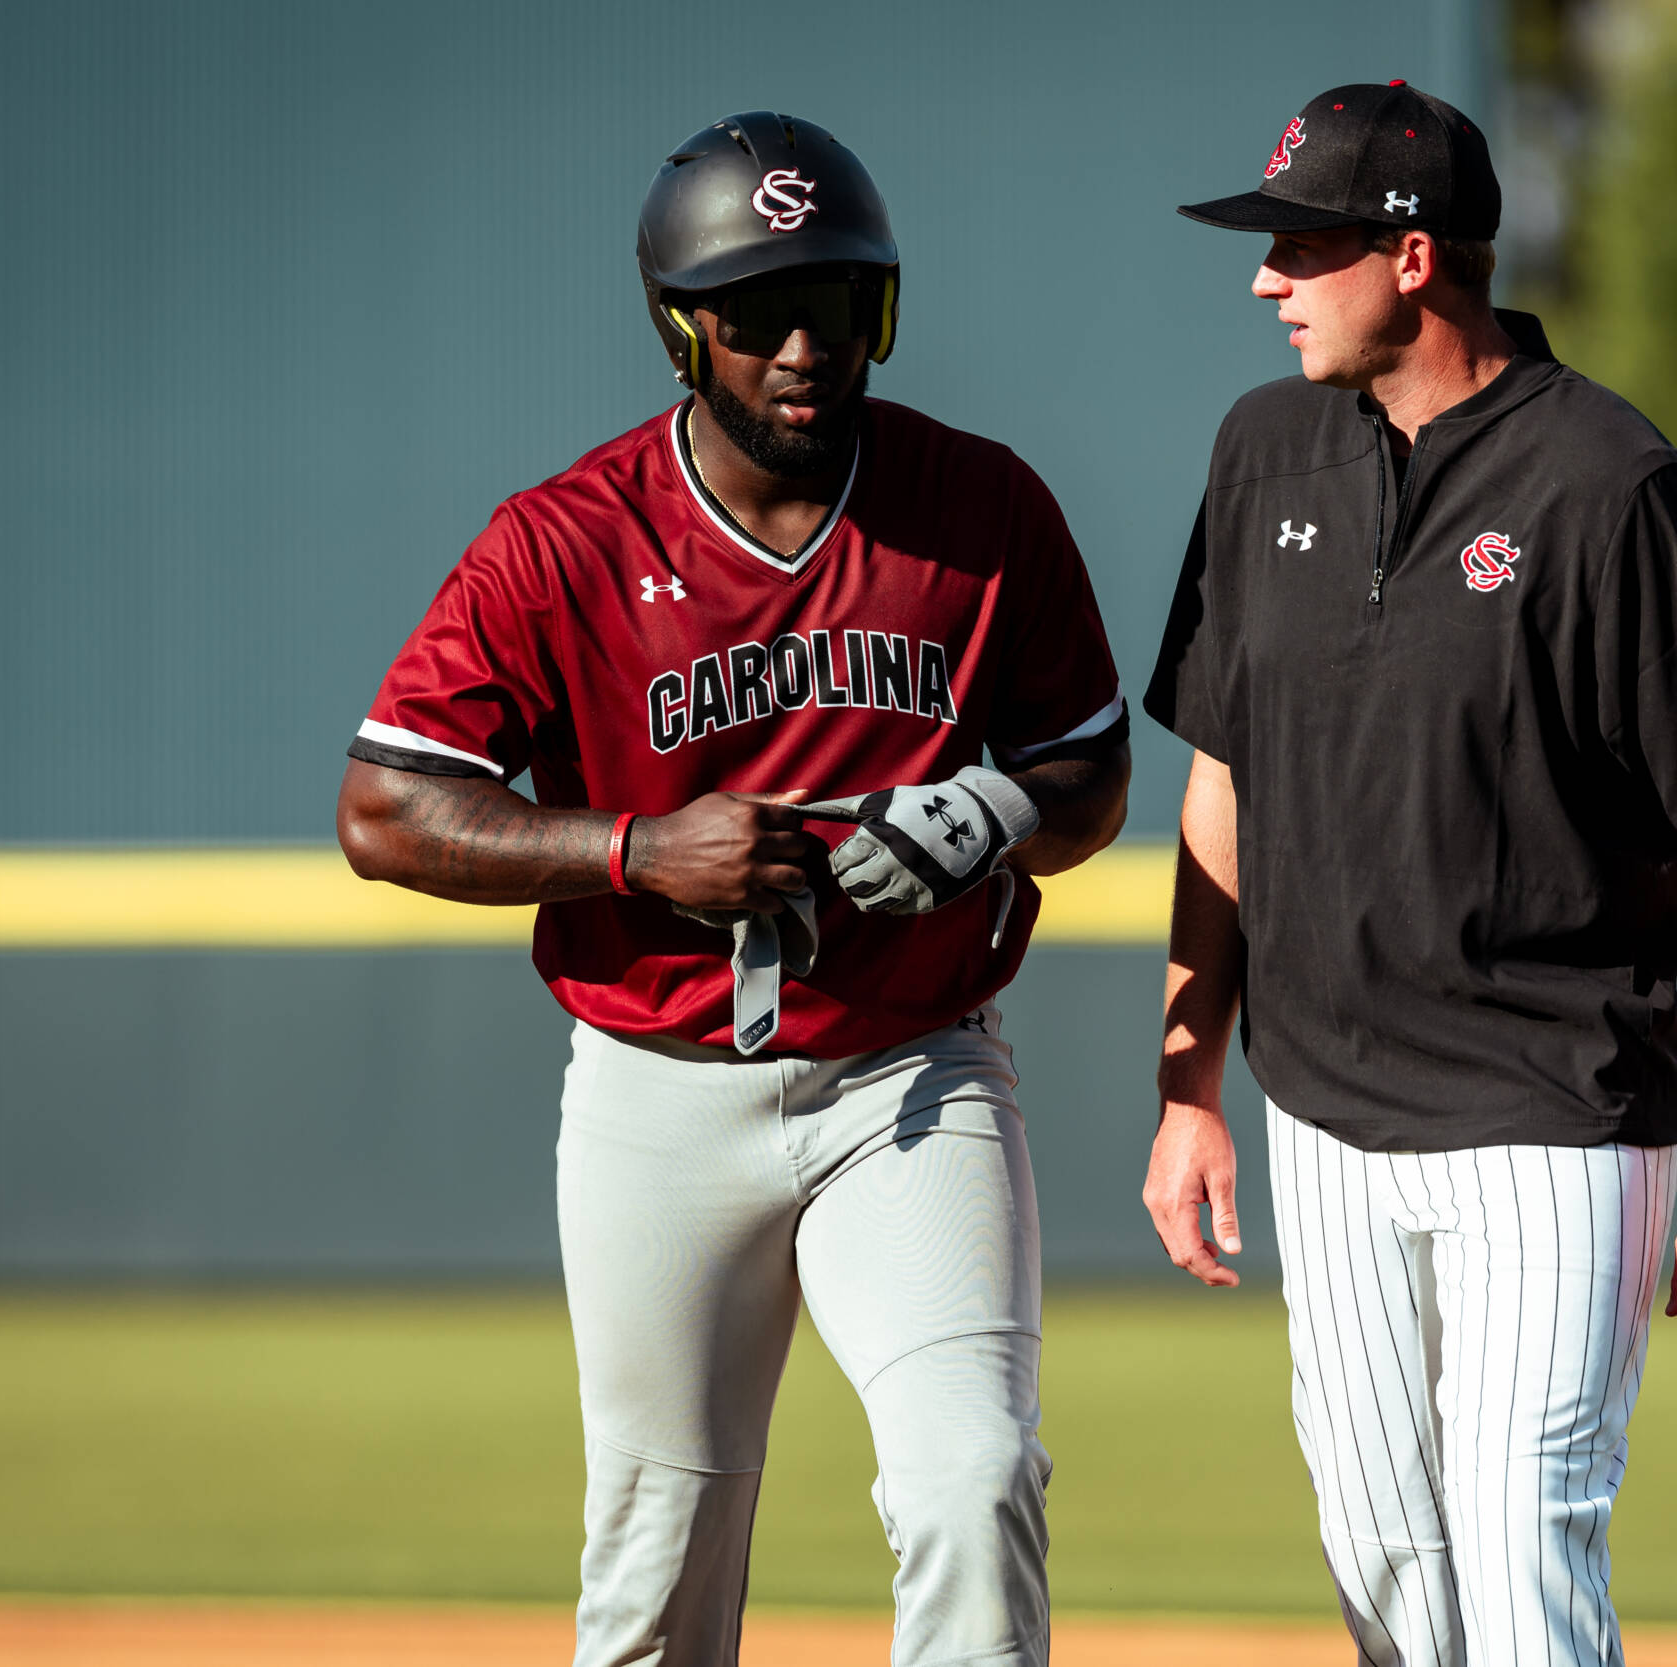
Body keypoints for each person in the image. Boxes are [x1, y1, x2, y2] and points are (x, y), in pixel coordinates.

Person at [336, 111, 1128, 1667]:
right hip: (658, 1084)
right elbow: (382, 807)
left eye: (831, 303)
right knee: (662, 1551)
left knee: (974, 1473)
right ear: (683, 329)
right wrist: (632, 849)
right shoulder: (563, 541)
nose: (797, 344)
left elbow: (1087, 774)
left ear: (879, 314)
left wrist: (991, 811)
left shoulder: (980, 511)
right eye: (754, 309)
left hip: (912, 1070)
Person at [1140, 82, 1677, 1667]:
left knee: (1520, 1550)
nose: (1265, 281)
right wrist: (1187, 1081)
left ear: (1413, 255)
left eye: (1300, 245)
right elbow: (1218, 779)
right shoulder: (1262, 450)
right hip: (1325, 1113)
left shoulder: (1615, 488)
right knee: (1382, 1564)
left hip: (1552, 1113)